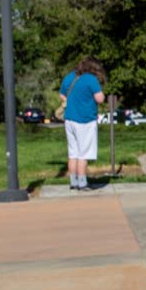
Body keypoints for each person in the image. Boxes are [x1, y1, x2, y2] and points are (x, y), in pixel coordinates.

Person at [58, 56, 106, 191]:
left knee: (73, 153)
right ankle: (82, 183)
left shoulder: (70, 77)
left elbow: (62, 95)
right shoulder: (91, 79)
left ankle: (73, 182)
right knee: (84, 154)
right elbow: (100, 99)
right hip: (85, 120)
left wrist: (73, 101)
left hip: (69, 119)